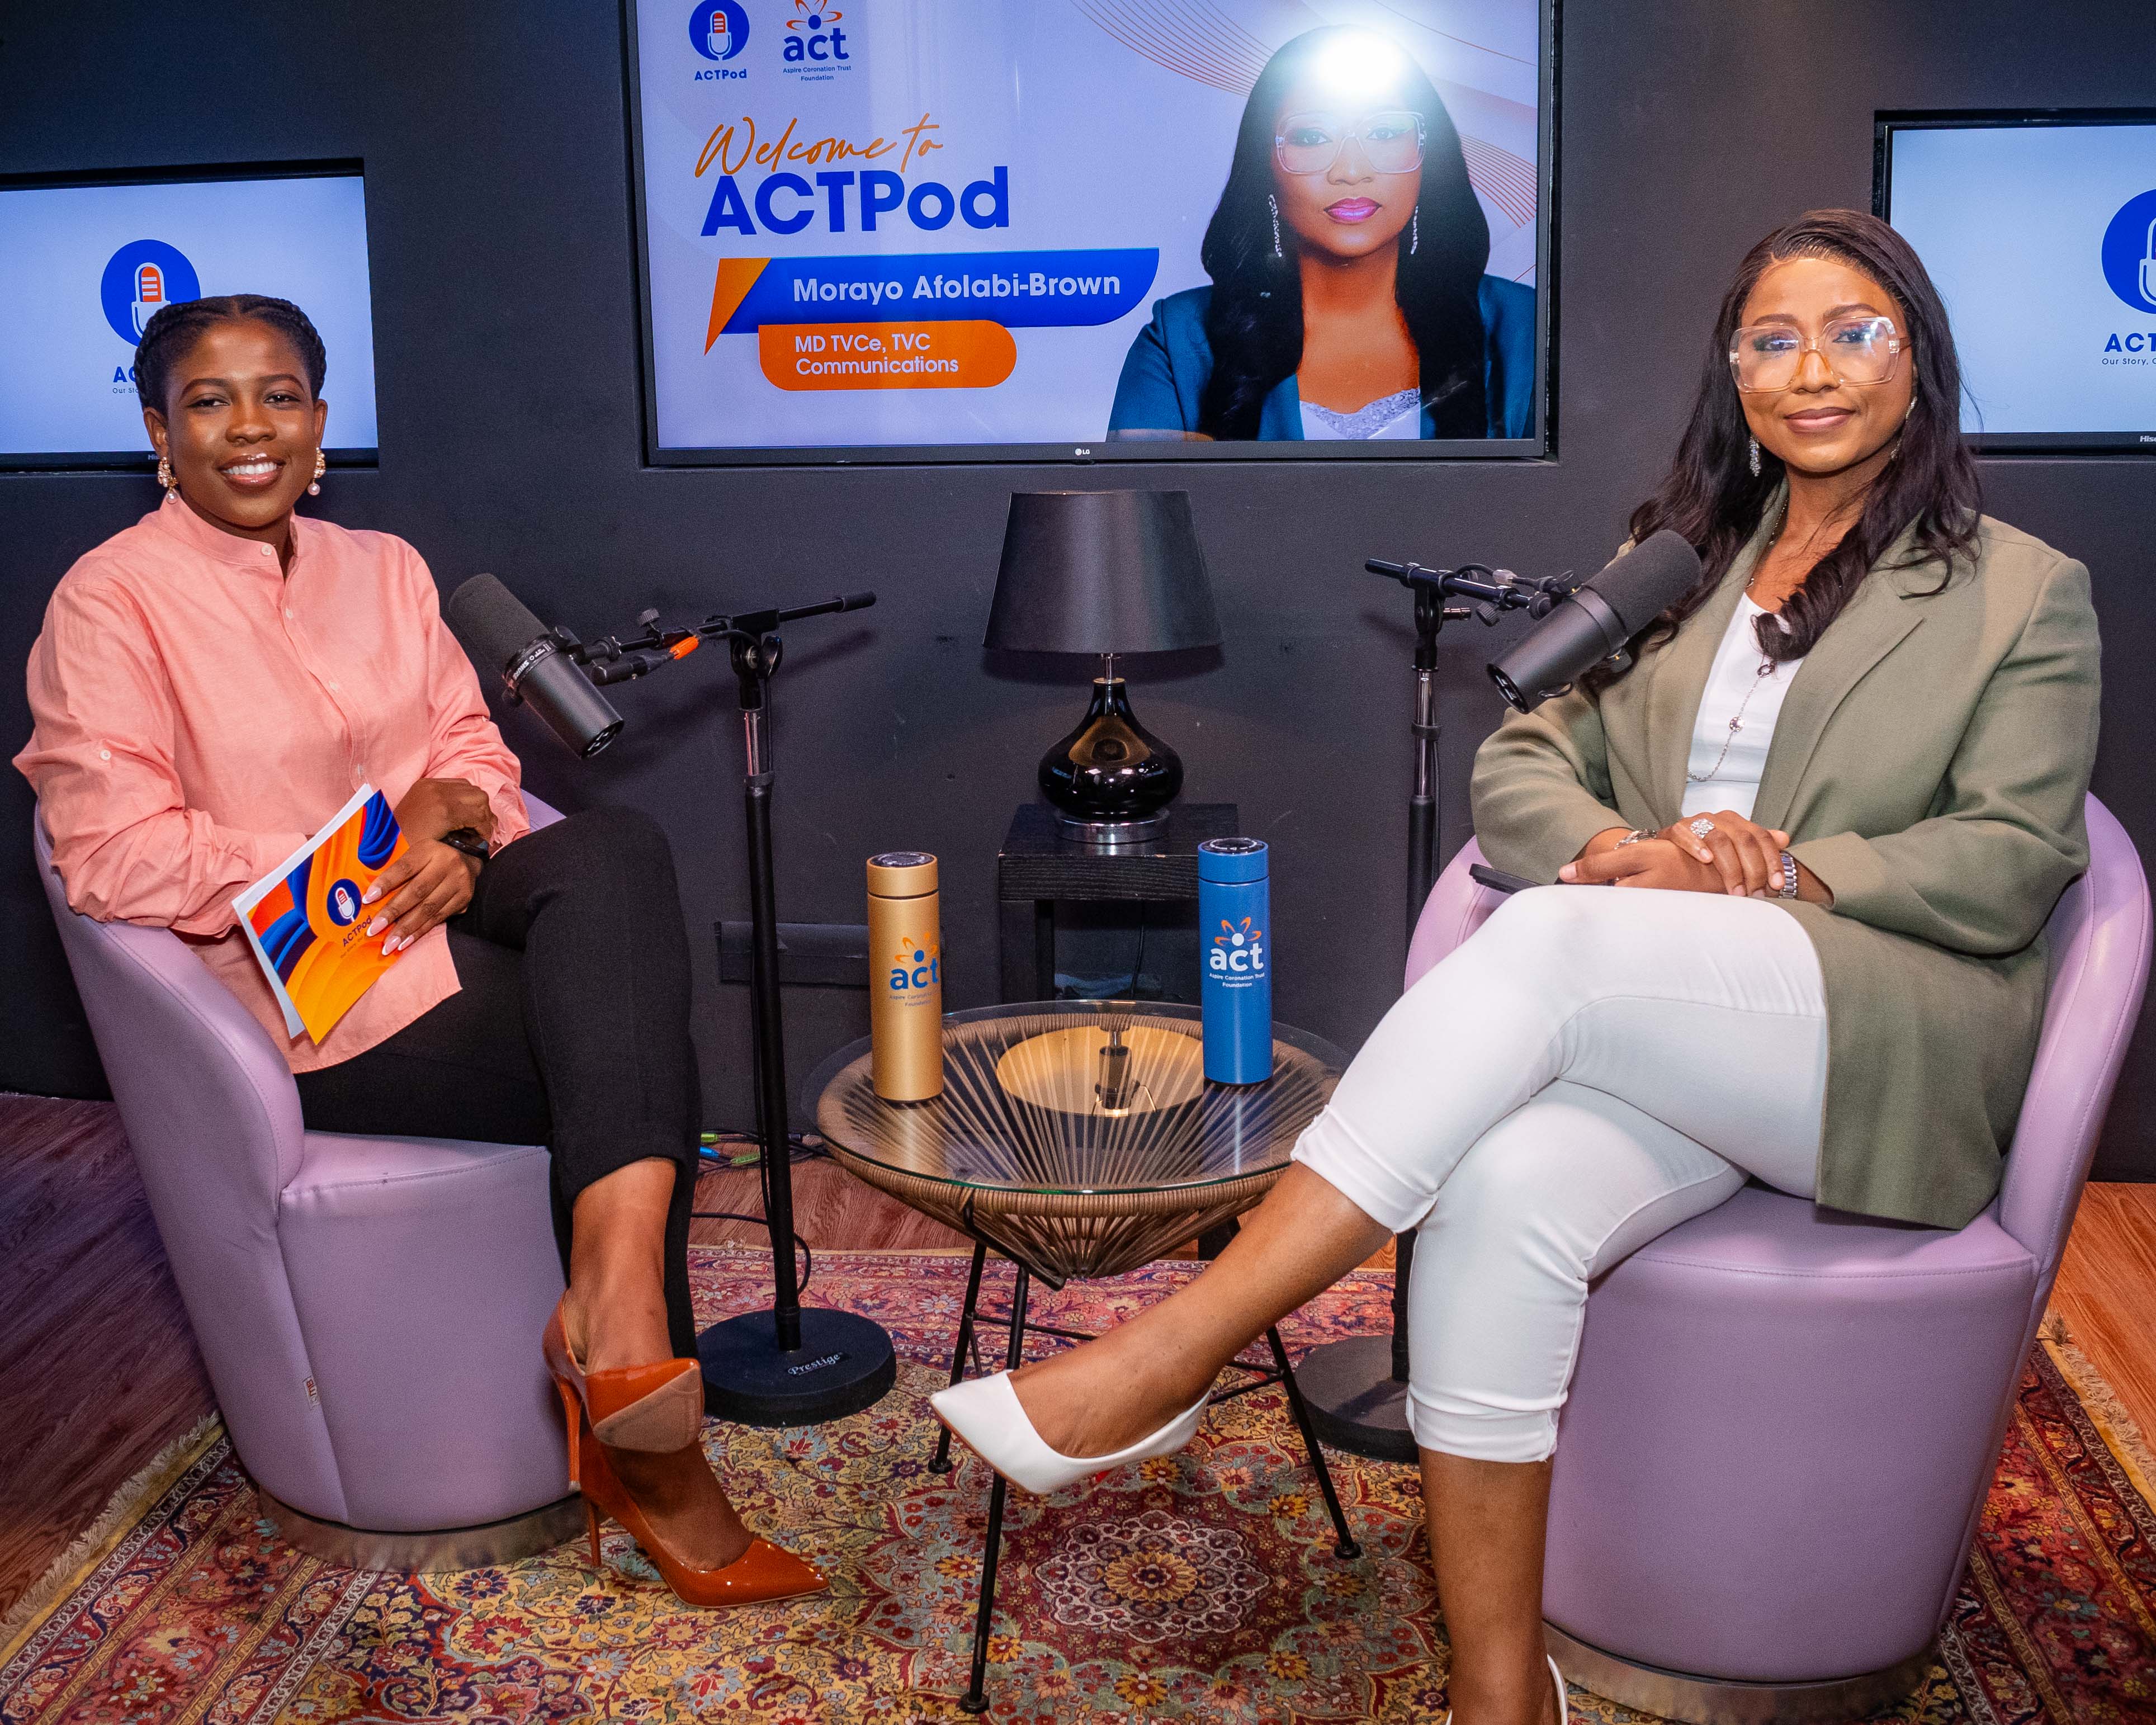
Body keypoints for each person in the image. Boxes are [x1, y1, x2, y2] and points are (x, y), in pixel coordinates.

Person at [938, 209, 2101, 1724]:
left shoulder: (2019, 589)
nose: (1810, 370)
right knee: (1496, 1194)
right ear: (1733, 373)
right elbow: (1521, 761)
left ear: (1918, 358)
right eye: (1771, 339)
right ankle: (1503, 1690)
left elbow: (2012, 856)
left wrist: (1780, 866)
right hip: (1673, 1019)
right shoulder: (1677, 561)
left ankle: (1177, 1346)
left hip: (1875, 1029)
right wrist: (1621, 847)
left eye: (1851, 332)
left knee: (1548, 938)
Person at [16, 294, 821, 1611]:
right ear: (159, 433)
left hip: (440, 906)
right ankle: (643, 1411)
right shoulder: (108, 604)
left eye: (279, 395)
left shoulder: (385, 567)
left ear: (320, 423)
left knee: (612, 851)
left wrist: (459, 829)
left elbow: (470, 750)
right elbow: (111, 854)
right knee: (619, 1035)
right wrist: (370, 848)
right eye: (209, 401)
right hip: (300, 986)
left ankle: (611, 1315)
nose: (249, 426)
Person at [1107, 26, 1534, 443]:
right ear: (1264, 164)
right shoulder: (1178, 339)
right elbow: (1144, 491)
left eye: (1385, 132)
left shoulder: (1526, 326)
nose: (1351, 170)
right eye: (1312, 136)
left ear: (1429, 154)